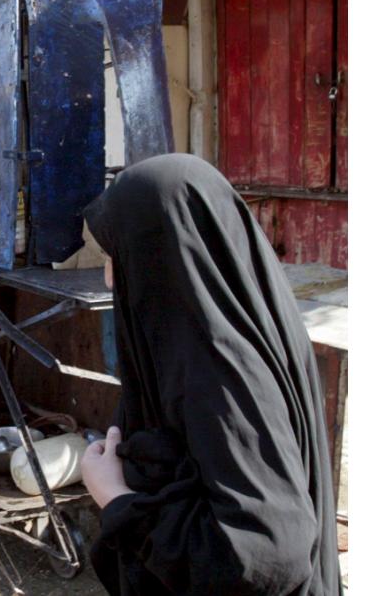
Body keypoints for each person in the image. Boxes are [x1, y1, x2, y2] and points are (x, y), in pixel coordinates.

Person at [78, 153, 341, 595]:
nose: (108, 278)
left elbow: (265, 554)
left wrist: (117, 500)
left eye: (114, 255)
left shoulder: (218, 373)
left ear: (159, 255)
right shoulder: (241, 328)